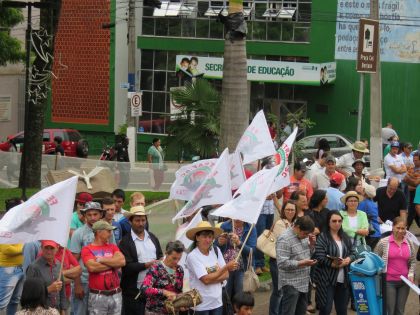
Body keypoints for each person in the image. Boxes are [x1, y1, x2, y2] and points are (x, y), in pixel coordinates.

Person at [69, 201, 115, 315]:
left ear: (100, 215)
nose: (92, 217)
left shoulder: (109, 232)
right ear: (84, 216)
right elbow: (74, 262)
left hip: (104, 281)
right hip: (84, 281)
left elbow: (115, 254)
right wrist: (77, 284)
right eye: (89, 215)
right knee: (80, 311)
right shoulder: (78, 233)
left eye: (95, 214)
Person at [185, 221, 238, 315]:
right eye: (204, 236)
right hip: (201, 306)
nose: (208, 240)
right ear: (197, 237)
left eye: (210, 237)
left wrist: (212, 277)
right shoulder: (192, 256)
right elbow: (205, 280)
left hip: (217, 302)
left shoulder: (216, 250)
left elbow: (226, 275)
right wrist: (225, 267)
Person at [118, 206, 163, 315]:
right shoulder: (125, 242)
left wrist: (161, 260)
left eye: (143, 220)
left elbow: (160, 255)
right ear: (130, 222)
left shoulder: (152, 237)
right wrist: (147, 265)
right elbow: (127, 267)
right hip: (134, 292)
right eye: (137, 220)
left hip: (153, 289)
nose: (141, 223)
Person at [312, 210, 354, 315]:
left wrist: (349, 259)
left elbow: (354, 252)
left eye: (339, 221)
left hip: (343, 279)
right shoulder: (323, 237)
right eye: (334, 221)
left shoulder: (345, 237)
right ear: (328, 222)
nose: (337, 223)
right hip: (326, 279)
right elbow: (319, 256)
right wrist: (333, 264)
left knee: (342, 310)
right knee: (326, 308)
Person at [81, 221, 126, 315]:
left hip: (116, 294)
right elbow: (92, 267)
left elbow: (122, 261)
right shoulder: (87, 249)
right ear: (99, 232)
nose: (111, 234)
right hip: (98, 296)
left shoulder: (113, 246)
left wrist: (101, 260)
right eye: (108, 231)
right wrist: (113, 263)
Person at [374, 216, 416, 315]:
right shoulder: (384, 242)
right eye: (398, 228)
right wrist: (380, 271)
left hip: (405, 282)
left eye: (403, 228)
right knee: (390, 311)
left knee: (400, 311)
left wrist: (410, 274)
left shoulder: (409, 242)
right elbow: (375, 257)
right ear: (393, 227)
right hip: (389, 281)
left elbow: (413, 261)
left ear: (406, 228)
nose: (400, 231)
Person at [276, 216, 317, 315]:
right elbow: (281, 263)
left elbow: (307, 254)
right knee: (288, 312)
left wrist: (311, 245)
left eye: (308, 234)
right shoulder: (284, 239)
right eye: (305, 233)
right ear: (297, 227)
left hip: (304, 281)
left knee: (301, 312)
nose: (306, 236)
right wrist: (301, 263)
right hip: (291, 283)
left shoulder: (303, 236)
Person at [140, 241, 185, 315]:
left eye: (179, 258)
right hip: (155, 312)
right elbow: (144, 289)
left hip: (173, 312)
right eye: (174, 258)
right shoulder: (156, 268)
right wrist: (164, 292)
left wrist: (182, 303)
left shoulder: (180, 270)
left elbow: (179, 291)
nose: (176, 261)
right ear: (166, 253)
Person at [216, 219, 257, 300]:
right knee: (225, 296)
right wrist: (220, 243)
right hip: (225, 267)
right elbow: (215, 247)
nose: (237, 219)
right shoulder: (224, 226)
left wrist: (239, 243)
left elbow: (252, 251)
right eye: (235, 217)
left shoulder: (250, 228)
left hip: (242, 267)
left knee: (240, 296)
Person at [268, 201, 297, 315]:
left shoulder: (293, 223)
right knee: (278, 291)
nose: (290, 212)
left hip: (287, 262)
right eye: (288, 210)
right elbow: (286, 242)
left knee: (284, 291)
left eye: (292, 210)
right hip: (277, 261)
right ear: (283, 211)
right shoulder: (280, 223)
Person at [26, 240, 67, 312]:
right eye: (46, 248)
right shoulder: (33, 267)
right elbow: (28, 294)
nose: (49, 251)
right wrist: (49, 289)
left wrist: (63, 309)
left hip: (56, 310)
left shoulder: (58, 264)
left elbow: (62, 290)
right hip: (39, 310)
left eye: (52, 248)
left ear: (57, 249)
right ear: (41, 248)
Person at [0, 242, 24, 315]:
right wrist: (24, 247)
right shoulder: (4, 230)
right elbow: (7, 249)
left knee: (15, 300)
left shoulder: (21, 232)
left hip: (21, 268)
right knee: (2, 302)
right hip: (8, 268)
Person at [358, 184, 381, 250]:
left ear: (365, 191)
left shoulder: (363, 203)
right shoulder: (373, 203)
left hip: (370, 234)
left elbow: (358, 215)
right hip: (377, 233)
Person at [404, 151, 420, 228]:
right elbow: (405, 179)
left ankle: (406, 229)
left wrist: (410, 179)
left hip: (418, 193)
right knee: (414, 213)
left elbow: (416, 183)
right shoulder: (412, 168)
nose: (414, 162)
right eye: (413, 160)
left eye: (416, 160)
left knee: (411, 212)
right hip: (412, 193)